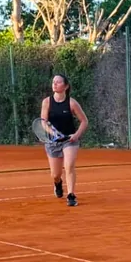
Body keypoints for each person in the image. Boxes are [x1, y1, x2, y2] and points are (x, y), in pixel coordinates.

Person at [40, 73, 88, 206]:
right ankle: (58, 183)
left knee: (69, 165)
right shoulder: (47, 102)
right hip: (53, 142)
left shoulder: (72, 103)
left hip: (69, 140)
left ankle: (71, 195)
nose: (54, 84)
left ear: (66, 86)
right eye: (53, 82)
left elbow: (84, 121)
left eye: (58, 82)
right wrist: (53, 134)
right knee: (55, 174)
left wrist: (76, 135)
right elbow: (43, 122)